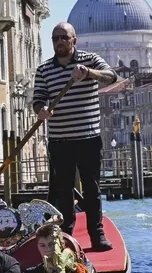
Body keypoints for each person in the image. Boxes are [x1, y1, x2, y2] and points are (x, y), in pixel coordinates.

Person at [33, 22, 117, 251]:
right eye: (55, 38)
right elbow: (38, 98)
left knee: (92, 187)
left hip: (88, 137)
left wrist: (88, 73)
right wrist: (41, 110)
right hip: (59, 140)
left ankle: (96, 235)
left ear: (74, 40)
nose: (59, 41)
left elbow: (111, 77)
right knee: (63, 189)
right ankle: (66, 234)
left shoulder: (89, 60)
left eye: (64, 37)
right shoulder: (44, 70)